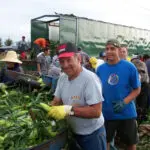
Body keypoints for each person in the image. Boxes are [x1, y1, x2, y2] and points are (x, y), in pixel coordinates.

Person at [49, 42, 106, 150]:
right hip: (72, 131)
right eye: (62, 61)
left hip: (92, 134)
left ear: (78, 58)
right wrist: (48, 110)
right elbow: (56, 101)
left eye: (69, 60)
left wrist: (68, 110)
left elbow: (96, 111)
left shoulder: (90, 79)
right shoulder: (62, 78)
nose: (65, 65)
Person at [96, 39, 141, 150]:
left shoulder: (129, 67)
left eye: (112, 48)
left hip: (126, 113)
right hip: (107, 113)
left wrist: (124, 102)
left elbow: (137, 89)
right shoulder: (100, 69)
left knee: (130, 143)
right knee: (105, 141)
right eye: (107, 49)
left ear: (119, 50)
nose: (109, 51)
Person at [132, 59, 150, 125]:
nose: (140, 74)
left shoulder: (146, 86)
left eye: (141, 72)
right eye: (137, 72)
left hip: (142, 86)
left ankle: (141, 114)